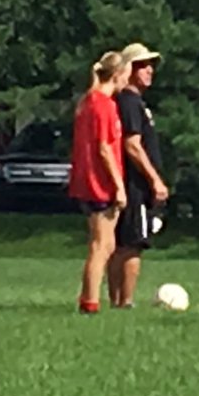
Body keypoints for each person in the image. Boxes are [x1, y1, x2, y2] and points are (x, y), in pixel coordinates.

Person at [108, 43, 168, 310]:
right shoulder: (130, 101)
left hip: (129, 183)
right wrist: (154, 179)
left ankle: (117, 300)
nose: (149, 70)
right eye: (142, 65)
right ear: (129, 70)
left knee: (122, 243)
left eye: (150, 65)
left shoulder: (131, 102)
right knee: (133, 243)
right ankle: (125, 301)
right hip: (134, 184)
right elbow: (132, 144)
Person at [69, 52, 130, 315]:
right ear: (117, 75)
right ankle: (89, 301)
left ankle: (89, 299)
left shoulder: (89, 102)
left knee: (107, 244)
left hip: (90, 181)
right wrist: (119, 185)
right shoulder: (103, 105)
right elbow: (105, 148)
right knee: (100, 245)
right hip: (99, 183)